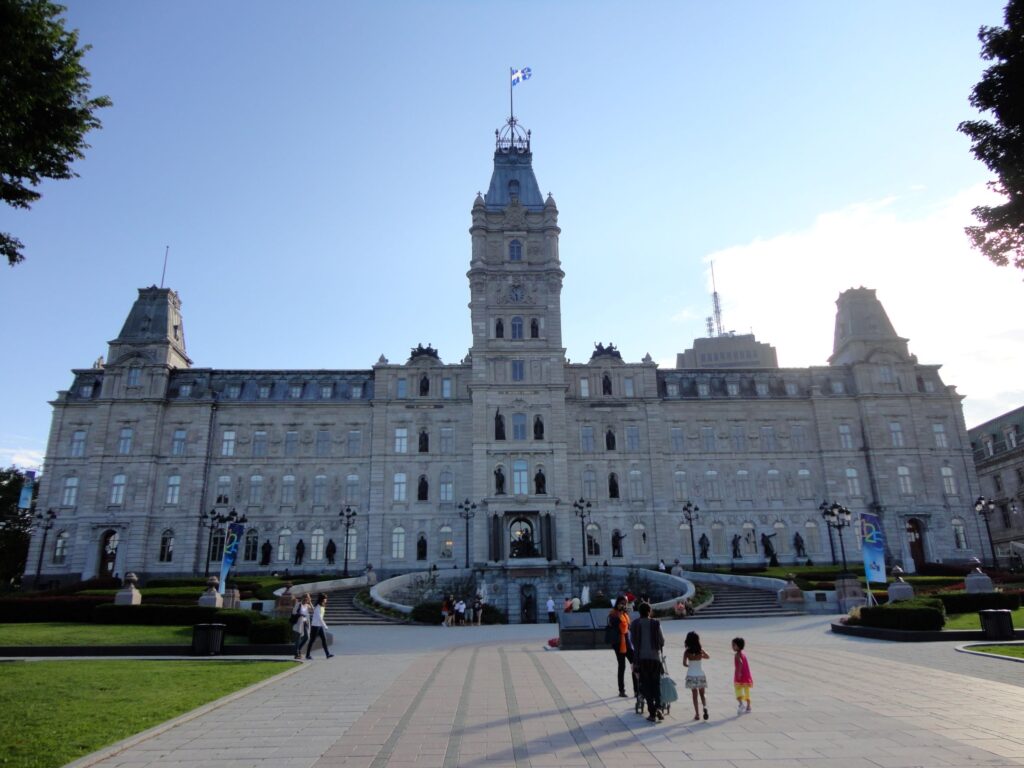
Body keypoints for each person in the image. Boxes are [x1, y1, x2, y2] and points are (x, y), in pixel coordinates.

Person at [630, 602, 664, 722]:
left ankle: (652, 713)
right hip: (655, 658)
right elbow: (662, 640)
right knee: (656, 684)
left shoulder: (634, 624)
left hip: (641, 659)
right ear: (649, 611)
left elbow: (632, 641)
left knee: (646, 686)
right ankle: (659, 707)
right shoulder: (656, 623)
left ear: (639, 612)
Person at [609, 596, 635, 698]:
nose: (624, 605)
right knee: (622, 666)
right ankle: (621, 690)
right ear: (617, 603)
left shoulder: (625, 614)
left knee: (634, 664)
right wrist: (619, 612)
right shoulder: (613, 613)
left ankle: (637, 690)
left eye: (625, 603)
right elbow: (614, 624)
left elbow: (629, 627)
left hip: (627, 642)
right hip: (618, 643)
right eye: (622, 603)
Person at [683, 630, 710, 721]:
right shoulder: (700, 651)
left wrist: (689, 665)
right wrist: (701, 656)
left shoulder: (687, 652)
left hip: (691, 675)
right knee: (702, 693)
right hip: (700, 674)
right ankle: (705, 707)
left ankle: (697, 714)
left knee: (694, 694)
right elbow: (708, 656)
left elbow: (684, 664)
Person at [305, 594, 333, 659]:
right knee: (312, 640)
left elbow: (314, 610)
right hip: (315, 626)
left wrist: (310, 603)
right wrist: (325, 626)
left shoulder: (321, 606)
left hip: (319, 626)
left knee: (324, 639)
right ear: (322, 599)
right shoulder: (318, 607)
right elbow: (319, 618)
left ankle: (327, 654)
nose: (326, 600)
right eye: (325, 598)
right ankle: (307, 655)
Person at [733, 637, 754, 713]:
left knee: (738, 689)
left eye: (734, 645)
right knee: (746, 690)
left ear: (738, 646)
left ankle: (741, 704)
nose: (732, 647)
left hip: (740, 675)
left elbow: (740, 663)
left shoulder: (737, 655)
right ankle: (748, 706)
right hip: (746, 676)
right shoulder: (743, 654)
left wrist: (738, 672)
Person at [291, 593, 311, 660]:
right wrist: (301, 614)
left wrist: (310, 602)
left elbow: (313, 610)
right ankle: (296, 654)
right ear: (303, 598)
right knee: (298, 639)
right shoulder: (298, 604)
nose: (307, 599)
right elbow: (294, 612)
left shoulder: (307, 605)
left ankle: (299, 649)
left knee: (307, 637)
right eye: (306, 597)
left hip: (305, 623)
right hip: (299, 623)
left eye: (308, 598)